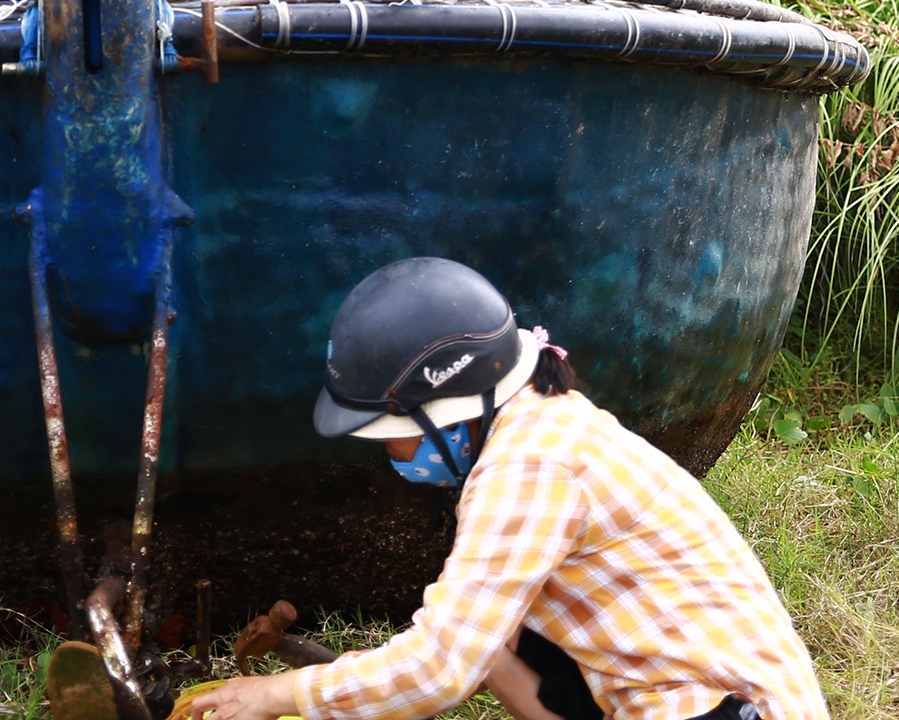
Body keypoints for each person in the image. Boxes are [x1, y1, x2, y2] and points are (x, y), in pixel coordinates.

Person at [185, 258, 830, 720]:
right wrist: (376, 675)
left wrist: (278, 696)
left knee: (469, 649)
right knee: (490, 638)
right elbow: (463, 647)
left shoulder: (530, 468)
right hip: (671, 690)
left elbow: (438, 671)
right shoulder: (538, 426)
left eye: (388, 434)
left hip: (724, 708)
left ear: (443, 412)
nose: (387, 454)